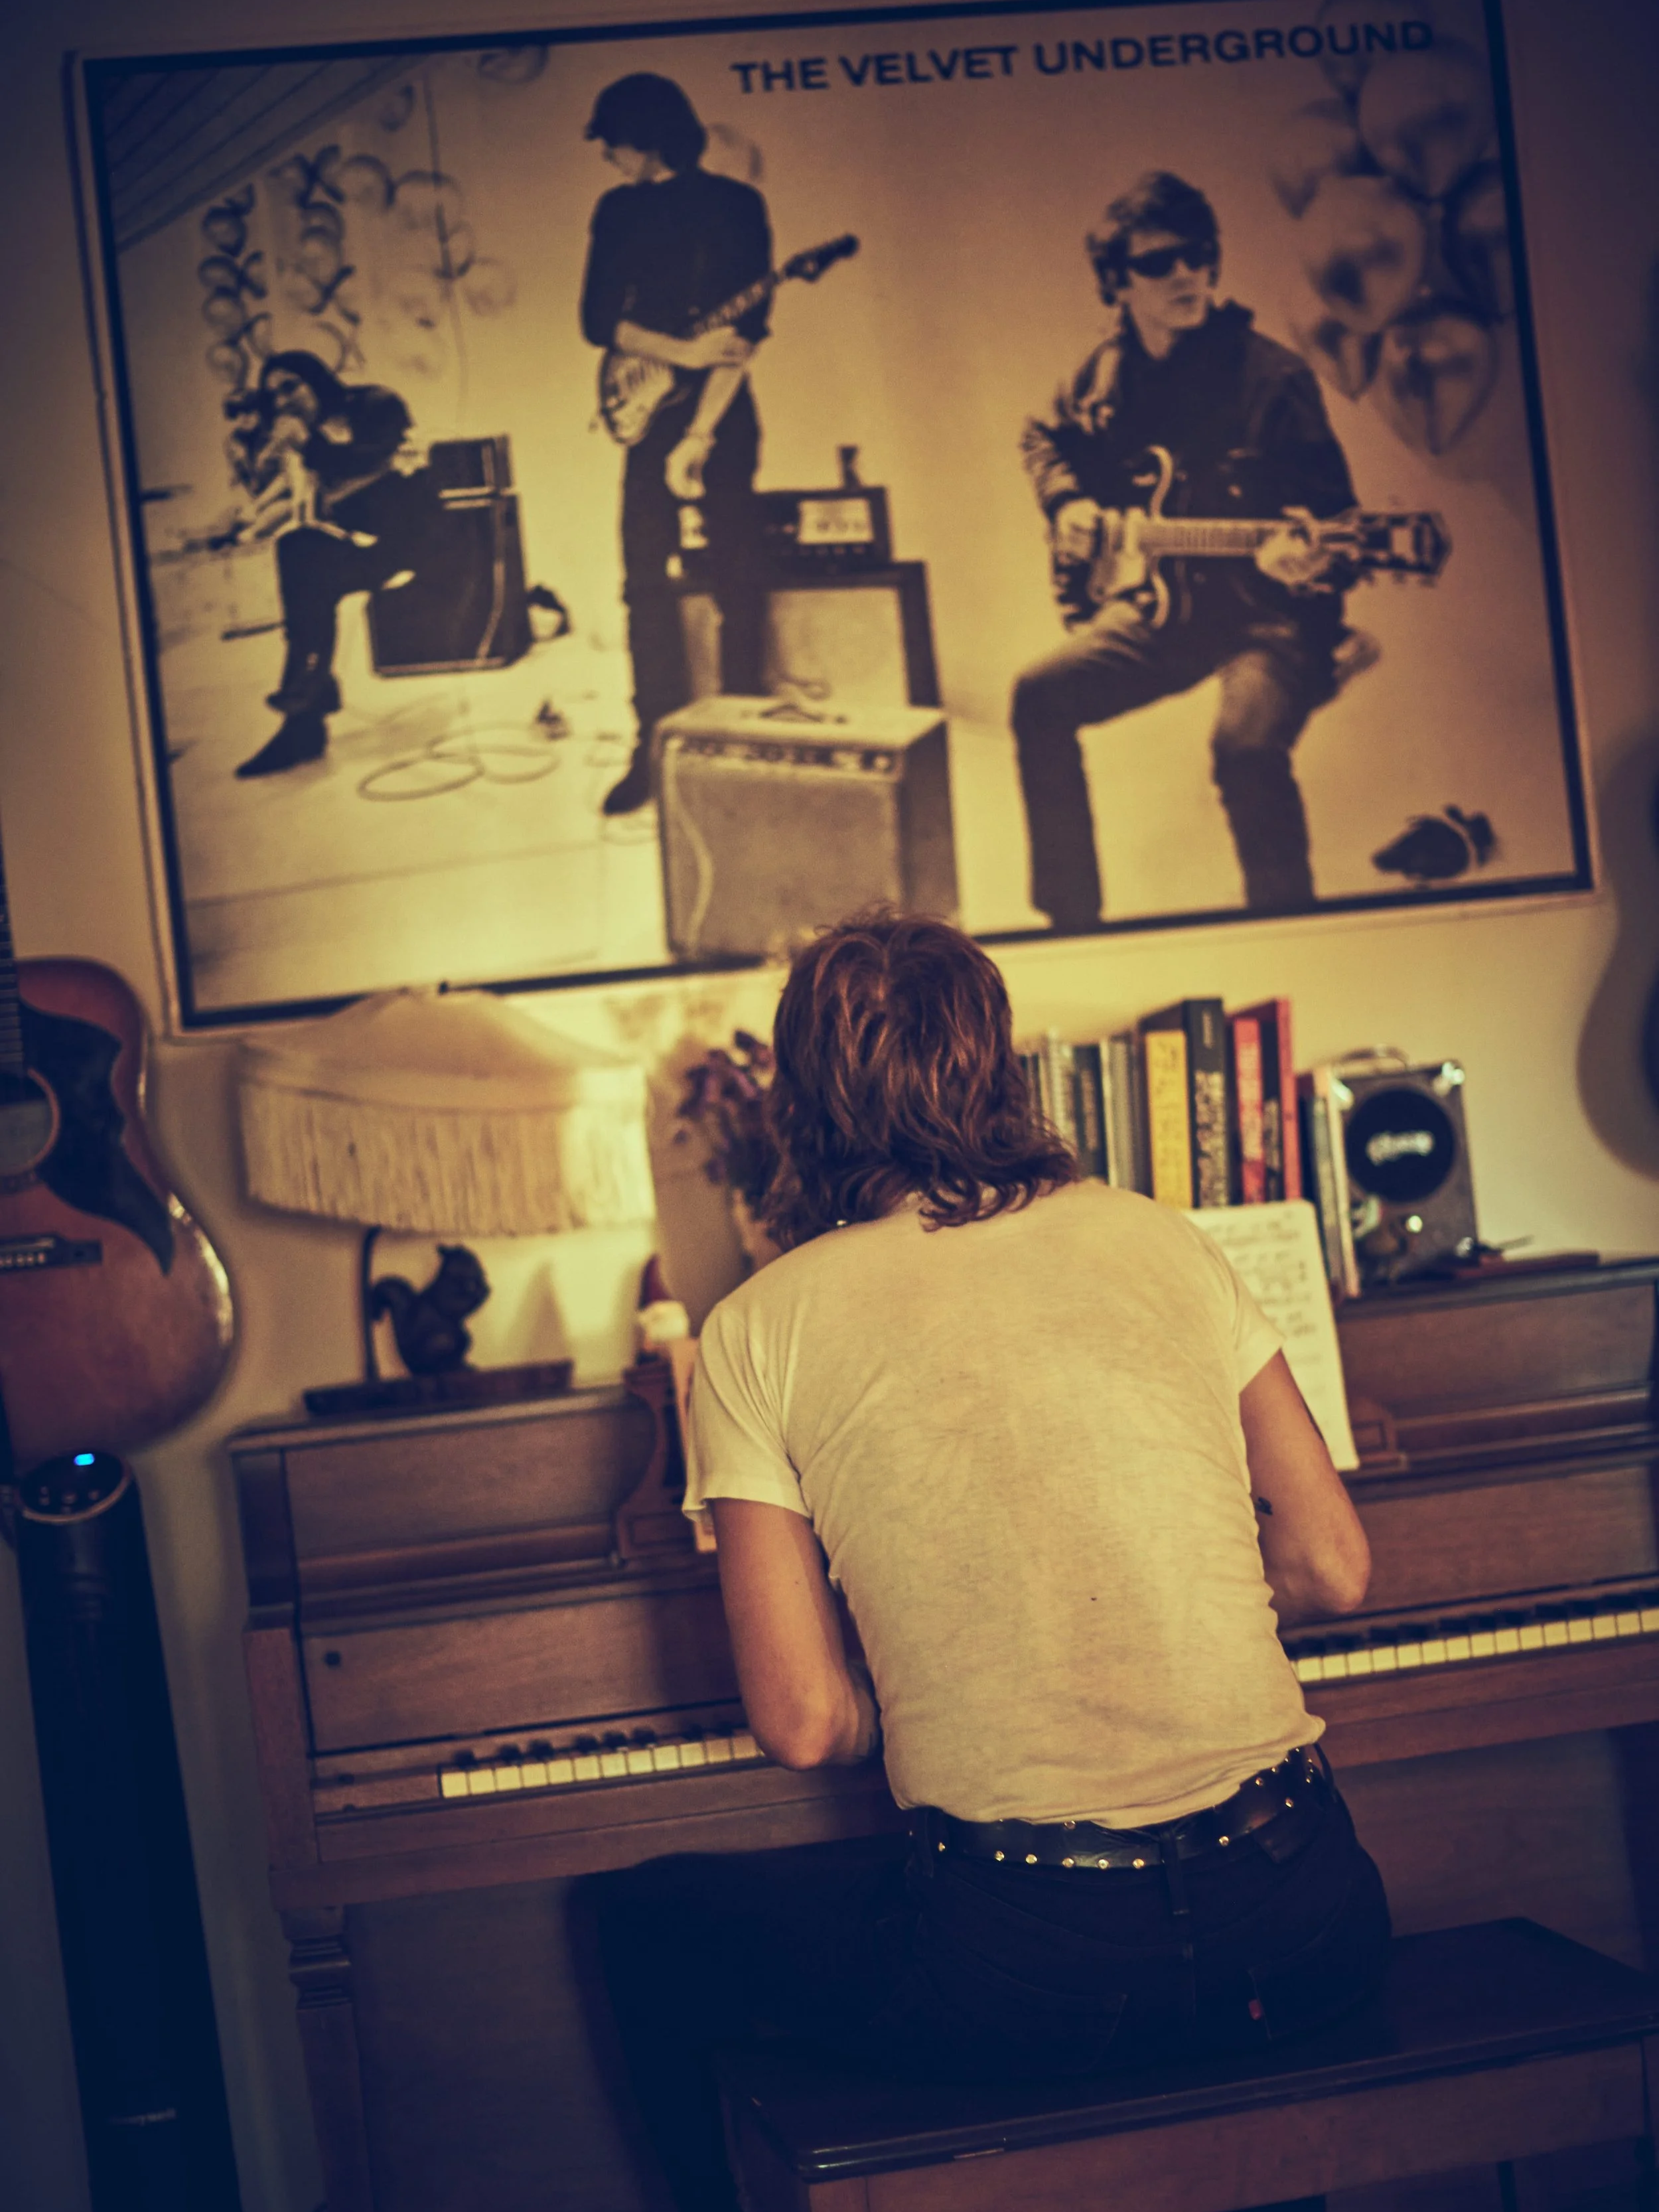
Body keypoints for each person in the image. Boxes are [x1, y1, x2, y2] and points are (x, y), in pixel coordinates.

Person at [579, 910, 1390, 2212]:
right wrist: (1179, 1598)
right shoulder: (1159, 1238)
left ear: (805, 1101)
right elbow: (1333, 1567)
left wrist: (956, 1665)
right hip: (1307, 1920)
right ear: (998, 1066)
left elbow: (801, 1720)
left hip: (1028, 1973)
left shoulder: (751, 1331)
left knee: (644, 1920)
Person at [1013, 171, 1369, 928]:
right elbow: (1042, 437)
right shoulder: (1102, 375)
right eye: (1158, 262)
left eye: (1198, 257)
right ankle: (1071, 923)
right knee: (1038, 698)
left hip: (1271, 619)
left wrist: (1305, 557)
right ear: (1117, 283)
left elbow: (1339, 526)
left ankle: (1289, 927)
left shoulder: (1273, 378)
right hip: (1163, 610)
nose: (1185, 275)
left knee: (1243, 750)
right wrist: (1068, 502)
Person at [579, 74, 771, 816]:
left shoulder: (737, 206)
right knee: (642, 583)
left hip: (722, 416)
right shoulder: (617, 210)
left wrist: (699, 434)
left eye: (613, 141)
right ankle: (651, 745)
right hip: (645, 409)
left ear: (647, 136)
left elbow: (744, 338)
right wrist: (680, 355)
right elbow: (599, 321)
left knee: (737, 574)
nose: (607, 155)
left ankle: (745, 736)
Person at [232, 352, 441, 779]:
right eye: (274, 395)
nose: (284, 400)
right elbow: (285, 497)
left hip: (412, 541)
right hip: (359, 546)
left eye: (291, 386)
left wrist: (307, 445)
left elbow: (370, 459)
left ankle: (305, 703)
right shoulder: (300, 436)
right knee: (298, 554)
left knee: (304, 561)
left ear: (317, 379)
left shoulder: (376, 403)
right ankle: (304, 708)